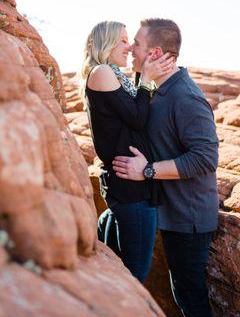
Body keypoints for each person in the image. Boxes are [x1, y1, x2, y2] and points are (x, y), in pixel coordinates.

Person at [112, 18, 219, 316]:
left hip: (189, 217)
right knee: (180, 293)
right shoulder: (154, 88)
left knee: (189, 298)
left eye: (137, 43)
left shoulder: (187, 97)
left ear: (155, 53)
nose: (131, 48)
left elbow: (205, 159)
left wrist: (146, 170)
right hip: (167, 212)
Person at [80, 21, 174, 283]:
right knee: (135, 273)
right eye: (122, 40)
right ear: (106, 44)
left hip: (132, 184)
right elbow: (136, 118)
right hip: (130, 189)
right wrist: (145, 79)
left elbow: (133, 114)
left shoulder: (113, 74)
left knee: (119, 268)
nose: (129, 46)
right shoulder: (101, 72)